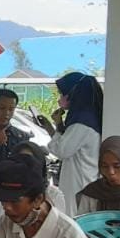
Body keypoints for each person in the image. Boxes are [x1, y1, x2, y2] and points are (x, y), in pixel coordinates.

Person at [0, 142, 66, 236]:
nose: (7, 207)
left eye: (29, 163)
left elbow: (57, 228)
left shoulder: (54, 195)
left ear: (38, 199)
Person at [48, 72, 103, 216]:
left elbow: (62, 150)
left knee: (75, 217)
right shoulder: (87, 116)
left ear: (73, 93)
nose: (60, 99)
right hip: (84, 177)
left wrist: (53, 127)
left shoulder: (82, 122)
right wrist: (59, 125)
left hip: (80, 181)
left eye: (62, 94)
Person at [0, 89, 31, 183]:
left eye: (11, 109)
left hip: (11, 187)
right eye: (2, 108)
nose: (6, 113)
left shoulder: (21, 136)